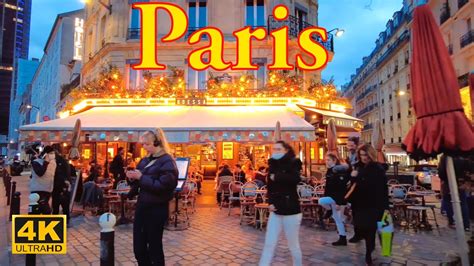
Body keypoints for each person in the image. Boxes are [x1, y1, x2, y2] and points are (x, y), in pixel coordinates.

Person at [126, 129, 178, 266]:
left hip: (156, 209)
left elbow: (164, 187)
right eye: (142, 144)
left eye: (146, 144)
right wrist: (132, 178)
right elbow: (139, 181)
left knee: (154, 247)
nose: (143, 147)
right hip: (142, 207)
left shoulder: (167, 161)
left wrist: (142, 177)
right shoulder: (145, 160)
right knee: (139, 248)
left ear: (156, 143)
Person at [259, 141, 303, 266]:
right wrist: (270, 202)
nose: (275, 151)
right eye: (274, 149)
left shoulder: (294, 163)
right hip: (276, 209)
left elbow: (295, 179)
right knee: (269, 242)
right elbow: (270, 187)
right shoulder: (272, 164)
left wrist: (277, 177)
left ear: (286, 150)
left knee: (293, 244)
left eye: (278, 149)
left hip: (291, 209)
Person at [345, 144, 389, 266]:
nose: (364, 157)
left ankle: (369, 253)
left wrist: (385, 207)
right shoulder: (358, 168)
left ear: (371, 155)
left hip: (374, 204)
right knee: (367, 230)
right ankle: (370, 250)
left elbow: (382, 189)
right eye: (361, 155)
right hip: (361, 204)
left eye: (366, 155)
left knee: (372, 230)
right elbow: (353, 186)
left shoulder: (377, 169)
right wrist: (353, 177)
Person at [318, 154, 350, 246]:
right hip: (331, 198)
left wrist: (339, 203)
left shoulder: (339, 171)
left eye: (328, 160)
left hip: (337, 199)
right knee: (337, 219)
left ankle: (329, 210)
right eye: (326, 160)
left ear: (334, 160)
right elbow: (328, 188)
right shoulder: (329, 171)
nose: (326, 161)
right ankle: (342, 238)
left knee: (321, 201)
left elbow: (342, 188)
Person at [438, 154, 471, 231]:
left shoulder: (445, 157)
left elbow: (441, 171)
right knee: (463, 203)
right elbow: (469, 168)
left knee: (448, 201)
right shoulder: (464, 156)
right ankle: (466, 225)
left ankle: (451, 221)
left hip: (448, 182)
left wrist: (444, 179)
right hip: (461, 182)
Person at [345, 136, 363, 243]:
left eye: (352, 145)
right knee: (355, 211)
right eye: (348, 145)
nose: (349, 147)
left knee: (358, 211)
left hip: (358, 186)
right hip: (352, 185)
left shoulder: (358, 156)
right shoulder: (350, 156)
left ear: (356, 145)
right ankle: (358, 233)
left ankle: (359, 234)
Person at [30, 146, 57, 214]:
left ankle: (42, 223)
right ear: (45, 154)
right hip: (38, 190)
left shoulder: (53, 163)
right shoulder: (36, 162)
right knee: (40, 210)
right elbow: (40, 173)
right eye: (50, 153)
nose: (52, 155)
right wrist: (46, 162)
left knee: (43, 209)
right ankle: (35, 223)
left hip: (48, 190)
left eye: (53, 153)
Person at [52, 152, 72, 224]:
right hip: (63, 186)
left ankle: (55, 221)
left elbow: (60, 175)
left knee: (56, 206)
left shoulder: (57, 163)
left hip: (59, 186)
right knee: (65, 206)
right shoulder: (64, 162)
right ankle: (66, 221)